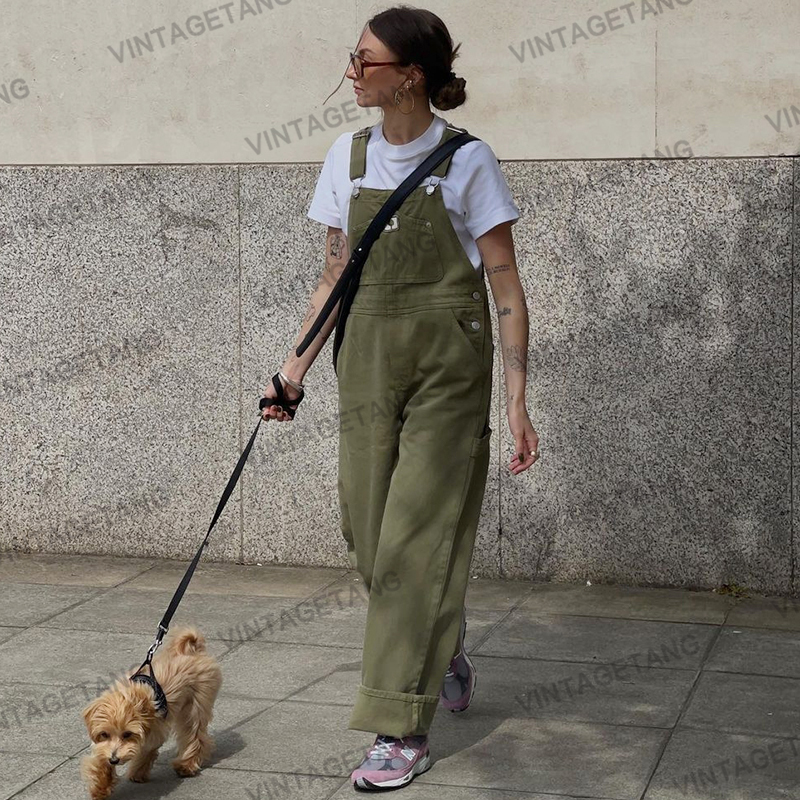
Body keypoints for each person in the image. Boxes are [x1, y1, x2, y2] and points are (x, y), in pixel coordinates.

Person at [260, 5, 540, 792]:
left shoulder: (468, 161)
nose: (350, 72)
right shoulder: (344, 159)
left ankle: (398, 726)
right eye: (352, 58)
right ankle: (437, 638)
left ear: (409, 76)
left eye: (363, 60)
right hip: (369, 362)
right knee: (366, 526)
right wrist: (292, 373)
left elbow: (506, 286)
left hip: (450, 366)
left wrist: (516, 399)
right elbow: (332, 281)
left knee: (415, 541)